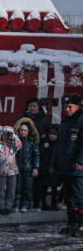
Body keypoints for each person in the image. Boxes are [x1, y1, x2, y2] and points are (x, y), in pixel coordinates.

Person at [50, 94, 83, 236]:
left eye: (70, 107)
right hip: (65, 166)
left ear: (77, 107)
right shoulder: (64, 122)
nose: (67, 109)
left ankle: (81, 227)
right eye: (65, 107)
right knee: (68, 198)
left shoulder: (81, 121)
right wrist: (54, 163)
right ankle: (71, 225)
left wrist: (81, 161)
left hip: (77, 168)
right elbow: (58, 146)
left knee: (79, 198)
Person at [0, 126, 22, 214]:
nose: (7, 137)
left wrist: (13, 136)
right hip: (1, 170)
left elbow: (19, 145)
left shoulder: (13, 146)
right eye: (5, 135)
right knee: (0, 191)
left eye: (9, 135)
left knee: (11, 190)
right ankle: (0, 206)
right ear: (2, 135)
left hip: (12, 171)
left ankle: (9, 206)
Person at [13, 118, 40, 213]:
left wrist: (35, 168)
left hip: (28, 169)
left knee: (27, 188)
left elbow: (36, 156)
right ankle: (16, 204)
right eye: (21, 130)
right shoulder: (16, 142)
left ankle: (25, 205)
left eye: (25, 130)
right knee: (17, 187)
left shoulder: (32, 144)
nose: (23, 132)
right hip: (17, 169)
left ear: (28, 132)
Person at [36, 124, 60, 210]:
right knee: (44, 187)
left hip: (54, 169)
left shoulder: (58, 146)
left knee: (54, 188)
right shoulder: (45, 144)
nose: (52, 136)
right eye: (51, 134)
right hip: (44, 169)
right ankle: (44, 203)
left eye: (54, 134)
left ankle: (54, 204)